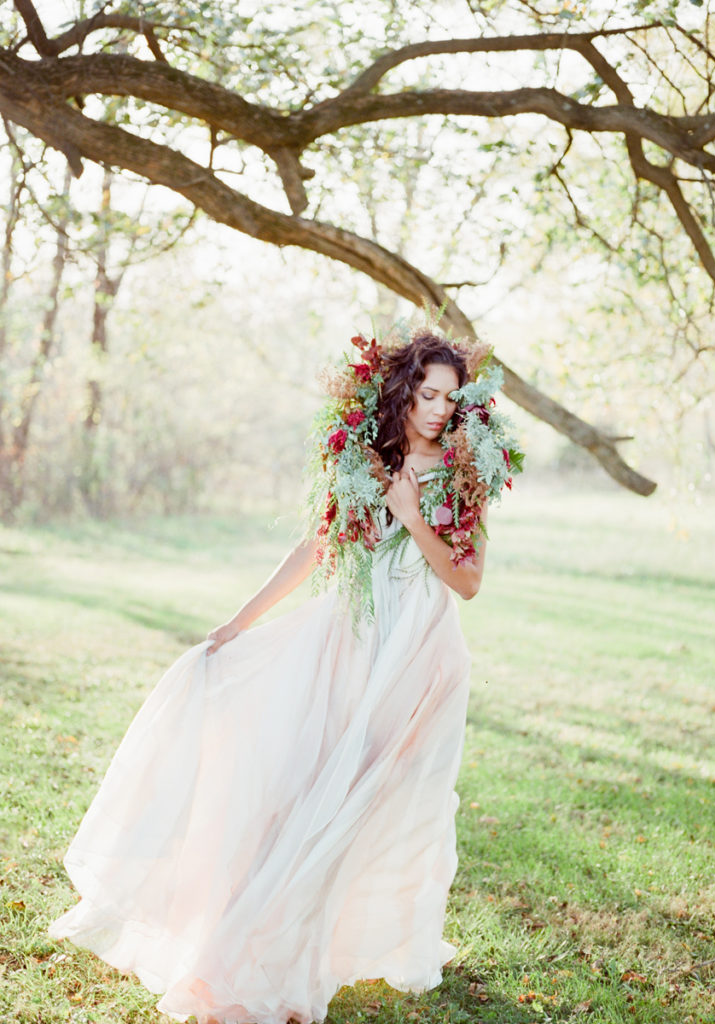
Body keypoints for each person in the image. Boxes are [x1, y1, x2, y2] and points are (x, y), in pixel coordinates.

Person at [49, 328, 522, 1024]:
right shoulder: (366, 459)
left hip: (420, 658)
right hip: (352, 640)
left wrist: (413, 517)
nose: (437, 410)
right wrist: (241, 620)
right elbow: (315, 546)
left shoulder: (468, 468)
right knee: (304, 793)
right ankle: (260, 948)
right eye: (427, 394)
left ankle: (307, 951)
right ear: (403, 392)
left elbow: (469, 582)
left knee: (364, 805)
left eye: (450, 398)